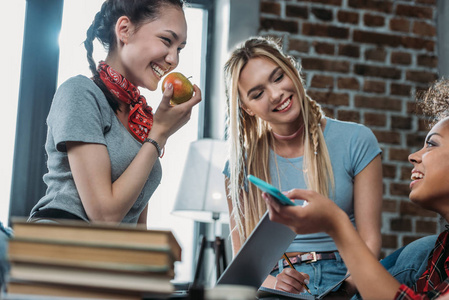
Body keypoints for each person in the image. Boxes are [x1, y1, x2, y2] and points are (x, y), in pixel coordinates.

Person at [223, 36, 383, 296]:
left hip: (345, 277)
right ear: (247, 108)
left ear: (291, 69)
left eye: (277, 77)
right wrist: (277, 285)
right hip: (275, 287)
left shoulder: (357, 140)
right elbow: (245, 267)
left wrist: (346, 289)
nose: (276, 95)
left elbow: (370, 241)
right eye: (258, 93)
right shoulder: (239, 167)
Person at [264, 78, 449, 299]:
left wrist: (337, 225)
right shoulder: (440, 250)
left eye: (432, 144)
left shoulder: (356, 140)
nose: (413, 156)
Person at [28, 0, 201, 225]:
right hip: (60, 245)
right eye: (166, 41)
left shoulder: (141, 119)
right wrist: (159, 133)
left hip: (111, 254)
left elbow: (137, 224)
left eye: (179, 49)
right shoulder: (80, 92)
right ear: (124, 30)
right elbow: (104, 216)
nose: (173, 59)